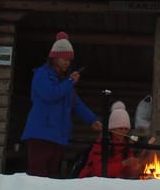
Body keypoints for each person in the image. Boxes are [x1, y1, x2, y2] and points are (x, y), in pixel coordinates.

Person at [21, 32, 102, 178]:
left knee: (52, 177)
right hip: (41, 134)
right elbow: (50, 94)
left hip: (57, 136)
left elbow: (76, 103)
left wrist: (92, 120)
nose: (67, 63)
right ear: (54, 58)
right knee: (37, 177)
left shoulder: (65, 81)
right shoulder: (42, 74)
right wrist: (70, 82)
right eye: (64, 58)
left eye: (69, 60)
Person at [78, 101, 145, 178]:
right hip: (91, 183)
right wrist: (124, 163)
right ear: (112, 129)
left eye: (126, 129)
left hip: (114, 183)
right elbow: (99, 171)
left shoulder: (126, 145)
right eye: (120, 128)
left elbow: (128, 174)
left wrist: (135, 167)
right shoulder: (101, 143)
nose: (123, 131)